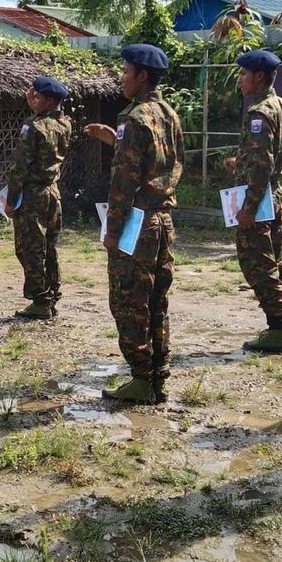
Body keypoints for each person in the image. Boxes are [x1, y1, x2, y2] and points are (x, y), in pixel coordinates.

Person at [84, 44, 185, 404]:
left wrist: (112, 232)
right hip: (162, 220)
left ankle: (142, 378)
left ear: (142, 76)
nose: (121, 78)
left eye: (125, 71)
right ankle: (156, 375)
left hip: (137, 224)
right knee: (156, 301)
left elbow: (124, 182)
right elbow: (162, 164)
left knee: (128, 302)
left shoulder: (134, 117)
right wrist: (116, 141)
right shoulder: (168, 113)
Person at [225, 50, 282, 353]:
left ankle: (276, 330)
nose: (240, 80)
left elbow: (261, 165)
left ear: (258, 76)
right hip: (276, 194)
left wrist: (249, 207)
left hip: (259, 198)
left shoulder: (259, 114)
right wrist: (240, 163)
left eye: (243, 74)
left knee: (258, 262)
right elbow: (278, 155)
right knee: (278, 259)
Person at [3, 75, 72, 320]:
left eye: (37, 96)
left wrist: (10, 200)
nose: (32, 98)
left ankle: (41, 300)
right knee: (48, 246)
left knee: (30, 248)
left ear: (49, 100)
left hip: (32, 196)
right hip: (53, 192)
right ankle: (52, 293)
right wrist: (35, 108)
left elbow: (19, 168)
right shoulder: (64, 123)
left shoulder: (33, 126)